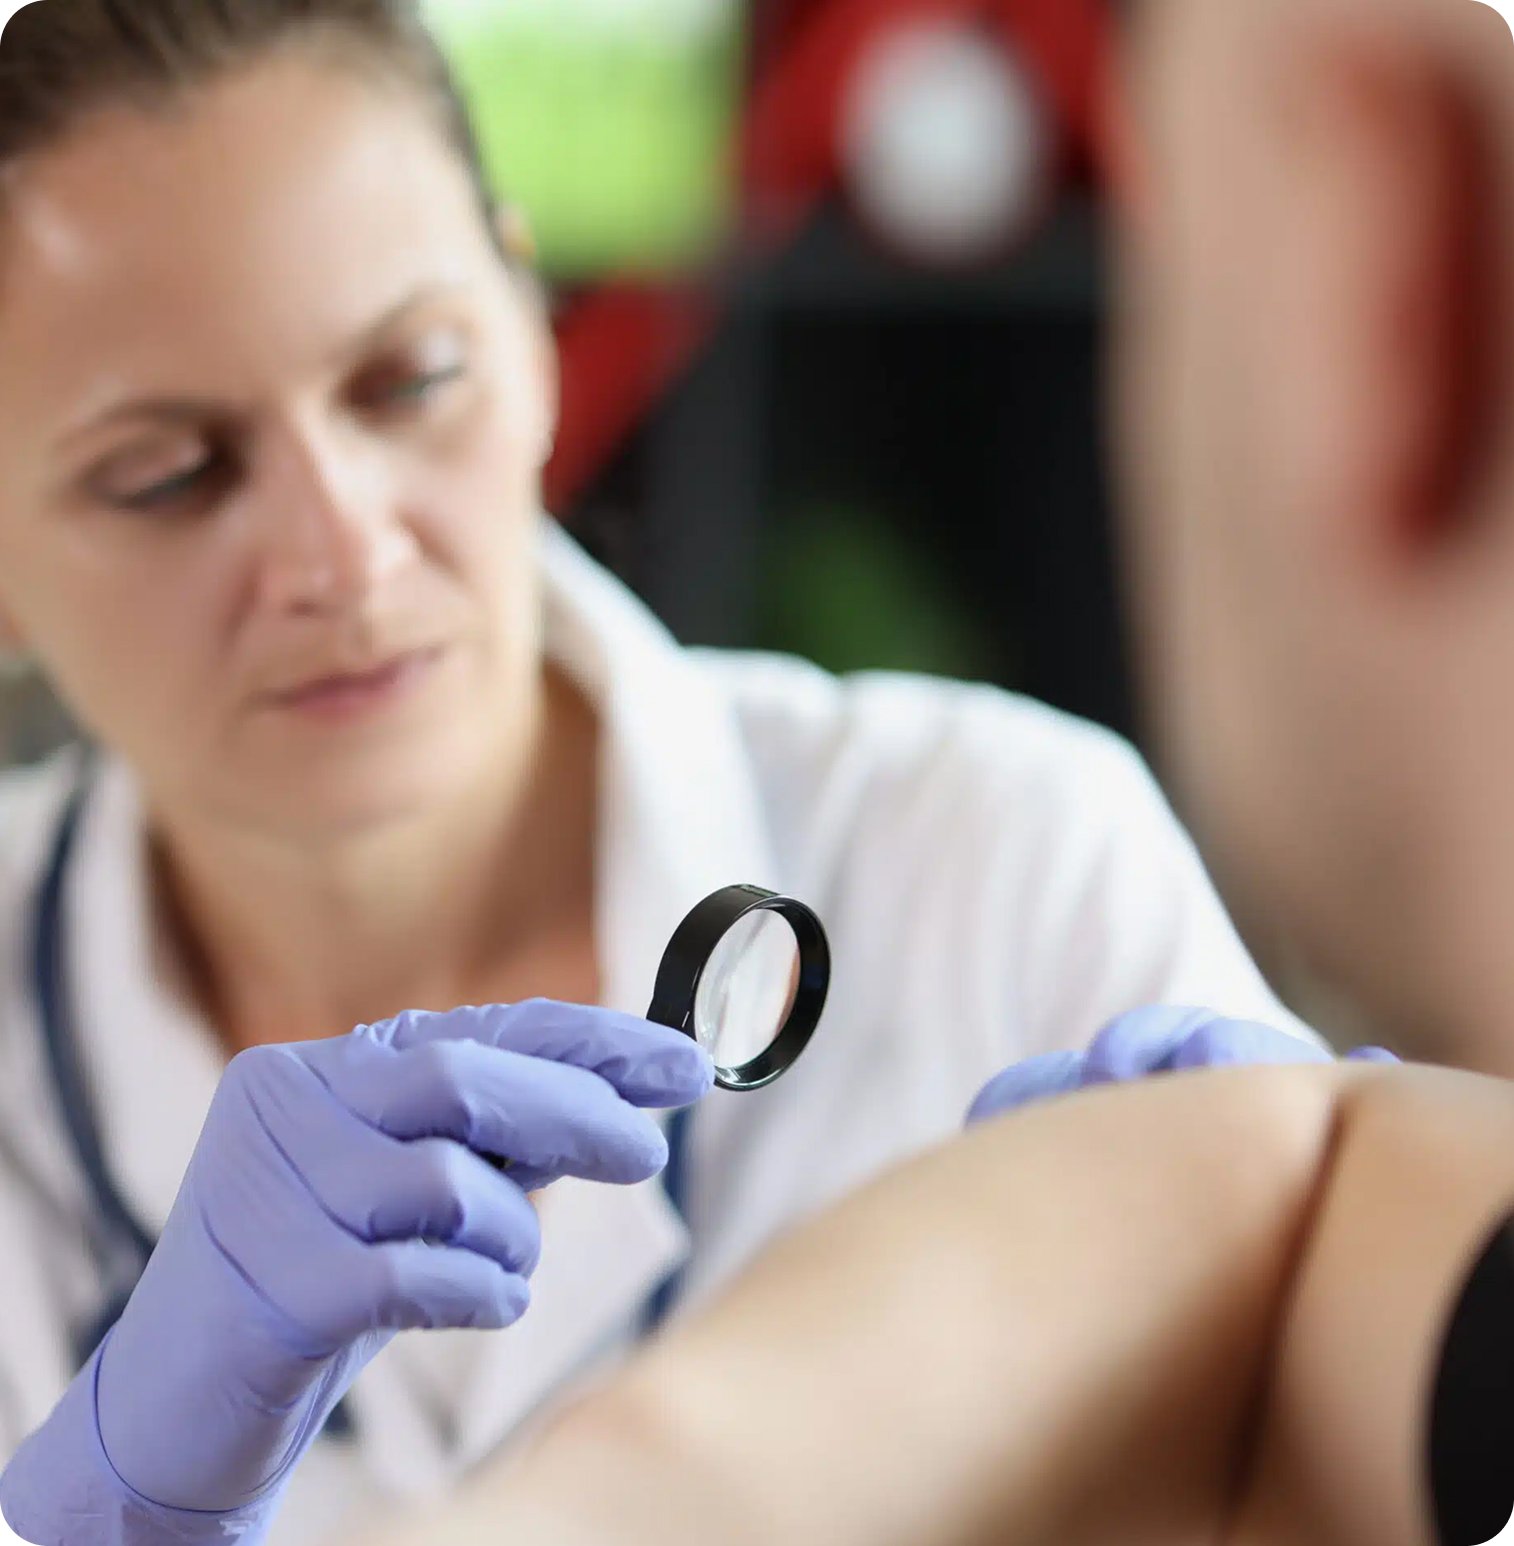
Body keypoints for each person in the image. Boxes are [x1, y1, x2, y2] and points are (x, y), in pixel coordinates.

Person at [0, 2, 1324, 1542]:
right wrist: (91, 1510)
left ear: (531, 328)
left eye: (411, 379)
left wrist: (1332, 1296)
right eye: (167, 473)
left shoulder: (1000, 862)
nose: (342, 549)